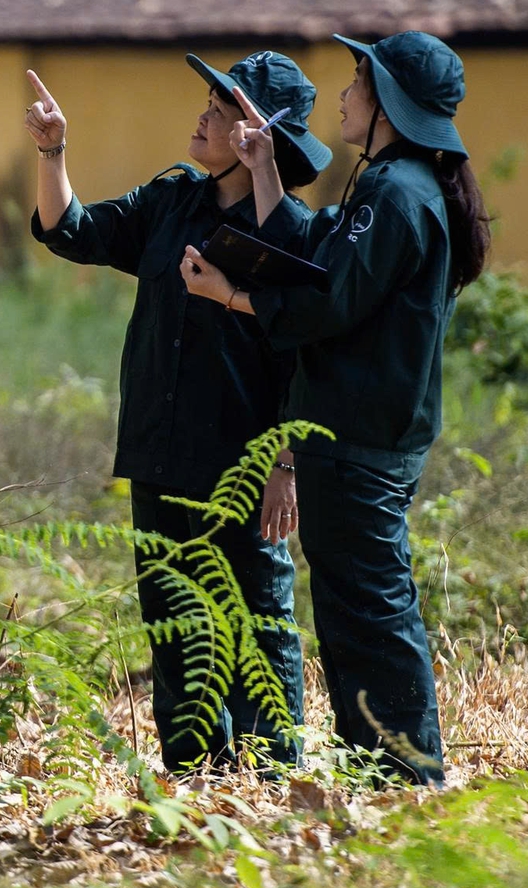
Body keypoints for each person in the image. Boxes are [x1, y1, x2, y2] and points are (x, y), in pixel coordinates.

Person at [179, 31, 491, 785]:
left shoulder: (395, 193)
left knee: (371, 614)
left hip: (358, 440)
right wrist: (264, 169)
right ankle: (377, 774)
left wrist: (233, 296)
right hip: (364, 437)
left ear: (388, 104)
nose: (345, 96)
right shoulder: (395, 185)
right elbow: (318, 252)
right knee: (356, 612)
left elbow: (327, 300)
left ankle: (409, 777)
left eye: (357, 82)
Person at [24, 51, 332, 771]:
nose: (202, 117)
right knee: (172, 614)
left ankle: (273, 770)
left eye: (221, 111)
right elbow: (73, 229)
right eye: (209, 104)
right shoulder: (171, 201)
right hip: (158, 449)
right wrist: (53, 151)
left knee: (256, 616)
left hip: (242, 463)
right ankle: (195, 770)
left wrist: (285, 465)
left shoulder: (292, 231)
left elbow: (305, 356)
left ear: (259, 134)